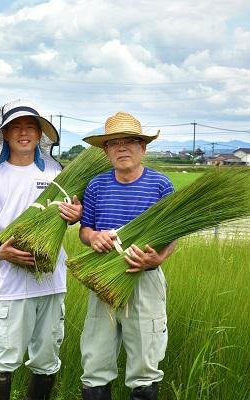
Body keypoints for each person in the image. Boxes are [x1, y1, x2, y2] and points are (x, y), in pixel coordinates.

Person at [0, 99, 82, 400]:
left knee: (47, 360)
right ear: (4, 135)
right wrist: (0, 252)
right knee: (3, 357)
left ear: (39, 134)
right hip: (11, 286)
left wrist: (76, 215)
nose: (24, 133)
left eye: (30, 127)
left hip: (52, 281)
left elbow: (69, 215)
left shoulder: (56, 173)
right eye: (16, 127)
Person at [77, 112, 177, 400]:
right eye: (114, 143)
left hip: (143, 280)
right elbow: (85, 230)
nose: (122, 148)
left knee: (145, 366)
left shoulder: (161, 186)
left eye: (130, 141)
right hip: (103, 279)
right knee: (95, 362)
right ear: (105, 150)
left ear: (142, 147)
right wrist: (93, 237)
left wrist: (158, 259)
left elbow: (173, 236)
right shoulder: (96, 185)